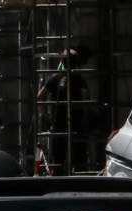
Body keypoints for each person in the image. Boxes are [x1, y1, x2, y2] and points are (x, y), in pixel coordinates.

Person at [37, 44, 92, 173]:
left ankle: (59, 185)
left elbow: (40, 97)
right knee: (79, 161)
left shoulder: (56, 78)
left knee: (58, 161)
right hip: (76, 123)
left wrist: (46, 115)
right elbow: (87, 96)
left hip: (58, 123)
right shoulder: (79, 79)